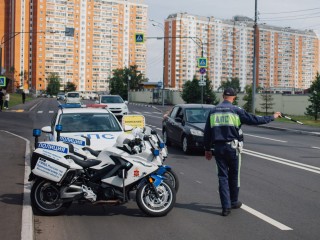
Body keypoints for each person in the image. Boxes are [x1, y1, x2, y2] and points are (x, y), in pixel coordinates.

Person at [203, 87, 282, 217]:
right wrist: (272, 117)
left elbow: (207, 132)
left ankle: (225, 208)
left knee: (222, 177)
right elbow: (255, 120)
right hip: (233, 148)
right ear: (234, 97)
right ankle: (233, 201)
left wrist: (207, 149)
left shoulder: (213, 111)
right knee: (234, 175)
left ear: (223, 96)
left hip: (218, 148)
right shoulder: (236, 110)